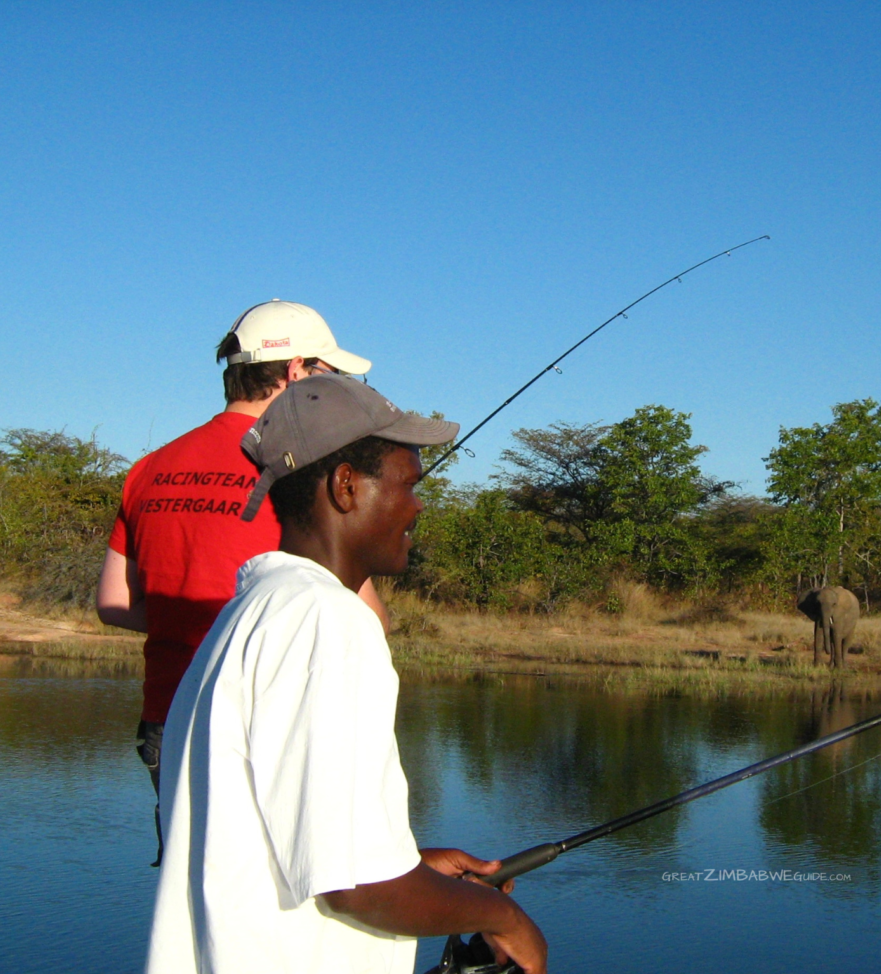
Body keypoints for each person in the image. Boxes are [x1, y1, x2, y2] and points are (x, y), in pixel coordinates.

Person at [147, 372, 547, 974]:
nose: (418, 507)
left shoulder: (251, 611)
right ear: (345, 486)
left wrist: (405, 860)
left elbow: (308, 844)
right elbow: (357, 888)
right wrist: (505, 921)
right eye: (409, 484)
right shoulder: (328, 623)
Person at [96, 300, 390, 862]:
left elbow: (114, 601)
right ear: (297, 371)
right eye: (330, 375)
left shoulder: (149, 467)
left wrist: (200, 622)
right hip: (271, 725)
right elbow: (367, 618)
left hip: (167, 720)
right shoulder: (302, 471)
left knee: (193, 899)